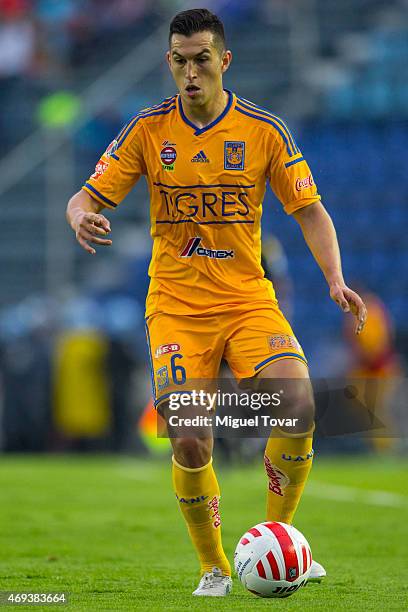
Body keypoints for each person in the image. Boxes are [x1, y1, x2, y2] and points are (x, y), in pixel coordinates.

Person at [66, 8, 367, 597]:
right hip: (177, 308)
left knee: (298, 403)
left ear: (224, 61)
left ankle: (278, 542)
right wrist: (81, 215)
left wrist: (334, 278)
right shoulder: (148, 131)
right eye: (179, 61)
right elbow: (85, 195)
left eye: (201, 59)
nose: (190, 72)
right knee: (190, 437)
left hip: (248, 299)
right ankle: (214, 568)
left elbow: (309, 210)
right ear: (169, 63)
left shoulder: (263, 130)